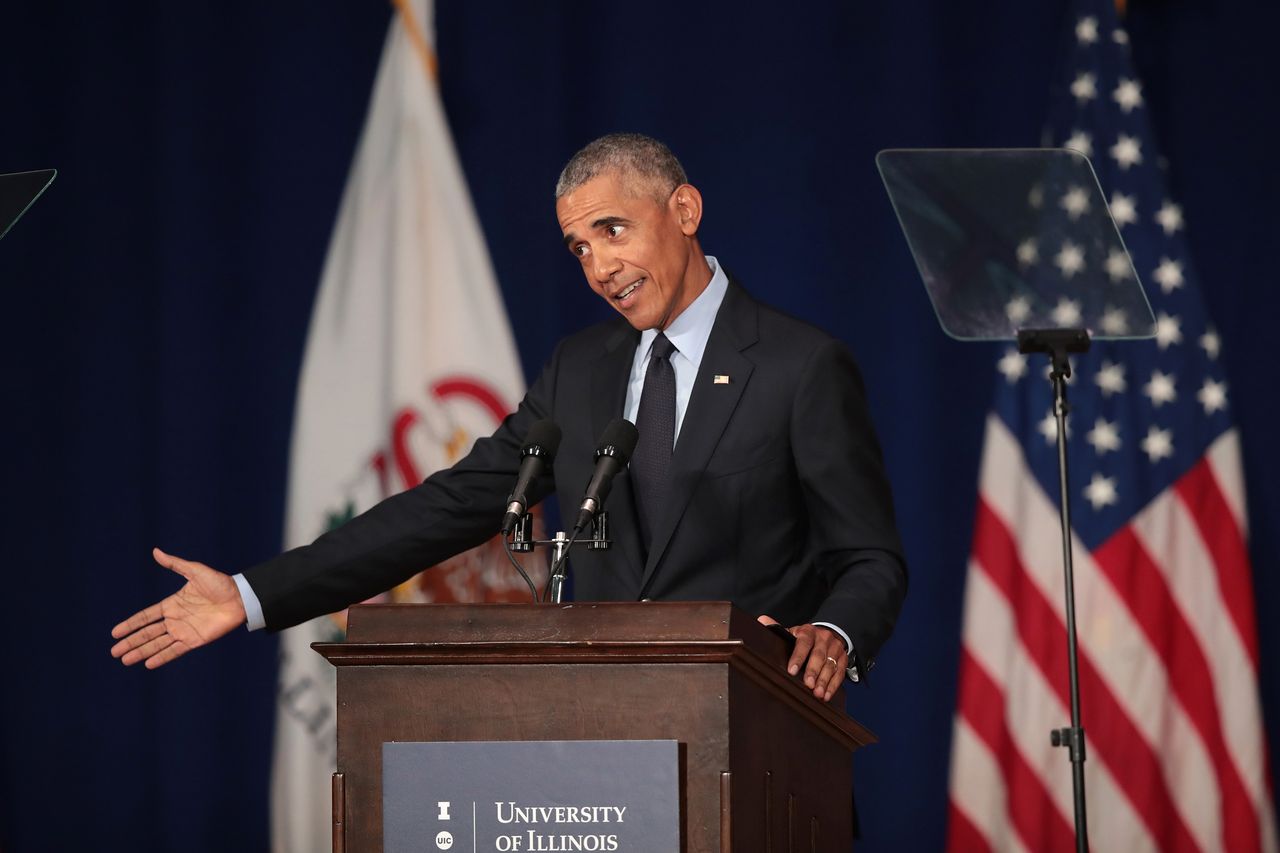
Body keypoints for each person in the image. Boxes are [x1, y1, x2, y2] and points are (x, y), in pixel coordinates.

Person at [111, 133, 907, 703]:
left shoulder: (800, 366)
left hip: (754, 738)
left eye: (612, 231)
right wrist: (253, 593)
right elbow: (448, 507)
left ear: (685, 210)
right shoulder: (579, 369)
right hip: (593, 752)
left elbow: (870, 558)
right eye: (578, 249)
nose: (599, 267)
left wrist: (832, 635)